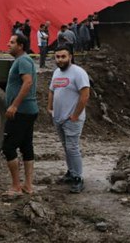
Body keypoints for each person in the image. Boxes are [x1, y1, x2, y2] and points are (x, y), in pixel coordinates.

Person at [47, 46, 90, 193]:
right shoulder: (56, 72)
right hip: (58, 118)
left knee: (72, 148)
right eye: (57, 57)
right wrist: (49, 108)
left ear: (70, 56)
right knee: (66, 147)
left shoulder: (78, 73)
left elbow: (85, 95)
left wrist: (76, 115)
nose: (60, 59)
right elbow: (52, 91)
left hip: (72, 119)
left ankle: (78, 178)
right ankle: (71, 172)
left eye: (63, 56)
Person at [3, 34, 38, 196]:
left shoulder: (23, 60)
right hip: (27, 110)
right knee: (26, 146)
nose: (8, 44)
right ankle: (28, 186)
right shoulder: (23, 60)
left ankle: (16, 186)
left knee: (9, 147)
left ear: (21, 46)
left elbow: (28, 82)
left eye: (12, 42)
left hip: (22, 111)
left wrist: (14, 106)